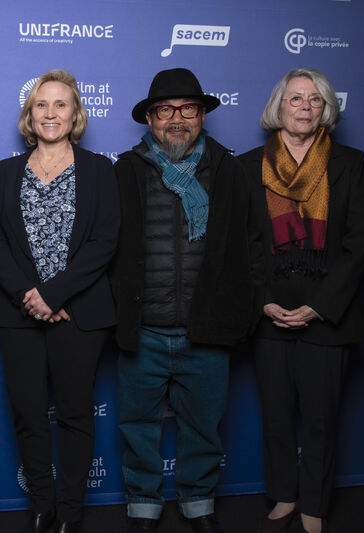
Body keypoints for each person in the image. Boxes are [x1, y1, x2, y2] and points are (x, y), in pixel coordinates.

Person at [109, 68, 264, 533]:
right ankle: (143, 505)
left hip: (208, 326)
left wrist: (244, 310)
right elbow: (107, 246)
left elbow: (251, 244)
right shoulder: (126, 170)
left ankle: (198, 503)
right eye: (165, 110)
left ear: (202, 116)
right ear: (150, 119)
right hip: (144, 326)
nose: (177, 119)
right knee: (138, 425)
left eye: (188, 109)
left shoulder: (229, 170)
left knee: (204, 426)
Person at [0, 69, 120, 533]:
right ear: (30, 114)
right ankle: (42, 505)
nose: (51, 113)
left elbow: (104, 241)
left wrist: (54, 294)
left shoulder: (99, 170)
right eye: (41, 104)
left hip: (79, 314)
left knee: (76, 414)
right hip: (20, 314)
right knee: (27, 414)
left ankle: (71, 511)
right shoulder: (5, 173)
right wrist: (30, 296)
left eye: (61, 104)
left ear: (75, 114)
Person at [238, 68, 364, 533]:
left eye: (315, 99)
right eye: (295, 98)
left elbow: (359, 243)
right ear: (278, 107)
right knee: (276, 415)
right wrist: (262, 301)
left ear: (326, 110)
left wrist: (319, 305)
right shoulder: (248, 166)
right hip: (271, 312)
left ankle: (314, 504)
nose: (305, 106)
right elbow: (244, 244)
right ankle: (284, 496)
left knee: (321, 418)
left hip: (328, 314)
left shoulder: (350, 163)